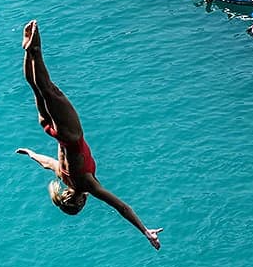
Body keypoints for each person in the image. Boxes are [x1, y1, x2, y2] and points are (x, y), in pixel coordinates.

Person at [14, 21, 161, 248]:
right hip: (50, 130)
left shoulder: (86, 185)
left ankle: (34, 50)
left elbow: (122, 207)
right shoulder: (63, 177)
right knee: (38, 88)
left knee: (48, 88)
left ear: (80, 202)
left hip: (69, 134)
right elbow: (46, 162)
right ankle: (29, 52)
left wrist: (145, 231)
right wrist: (30, 153)